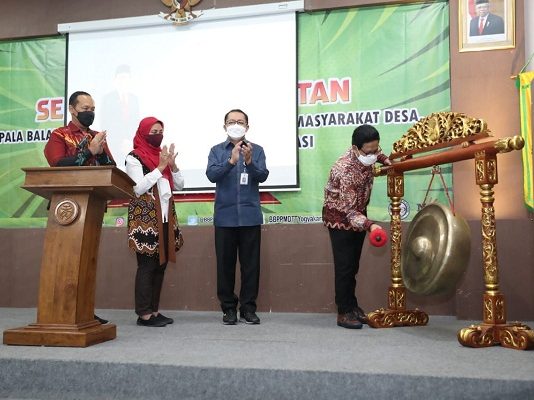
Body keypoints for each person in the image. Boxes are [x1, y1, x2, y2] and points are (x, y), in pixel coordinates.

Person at [44, 90, 115, 325]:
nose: (90, 113)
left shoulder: (97, 136)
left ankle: (83, 312)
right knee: (65, 262)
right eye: (85, 109)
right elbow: (57, 164)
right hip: (66, 207)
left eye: (92, 109)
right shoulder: (59, 135)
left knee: (87, 262)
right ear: (72, 110)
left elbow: (111, 167)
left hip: (93, 205)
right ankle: (60, 312)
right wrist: (89, 152)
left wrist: (100, 153)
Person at [322, 124, 391, 329]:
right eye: (369, 151)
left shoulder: (370, 152)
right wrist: (371, 225)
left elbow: (377, 154)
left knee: (353, 266)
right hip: (340, 218)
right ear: (355, 148)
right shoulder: (344, 170)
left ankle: (352, 306)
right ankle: (344, 312)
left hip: (359, 213)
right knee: (345, 267)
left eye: (376, 149)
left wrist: (386, 160)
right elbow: (349, 212)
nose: (373, 155)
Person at [206, 109, 269, 325]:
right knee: (225, 266)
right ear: (224, 126)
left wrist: (249, 162)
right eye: (231, 121)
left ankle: (248, 309)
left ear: (247, 127)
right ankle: (229, 309)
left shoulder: (257, 150)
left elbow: (263, 176)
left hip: (250, 217)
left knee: (251, 267)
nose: (236, 125)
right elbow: (211, 175)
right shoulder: (216, 151)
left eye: (240, 122)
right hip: (225, 218)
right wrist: (231, 161)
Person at [125, 117, 184, 327]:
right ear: (143, 133)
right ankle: (144, 314)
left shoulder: (162, 156)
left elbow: (180, 186)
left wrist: (172, 166)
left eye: (160, 131)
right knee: (147, 265)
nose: (158, 135)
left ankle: (154, 311)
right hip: (145, 218)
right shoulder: (134, 157)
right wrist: (159, 168)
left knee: (161, 265)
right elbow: (138, 188)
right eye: (153, 131)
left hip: (166, 216)